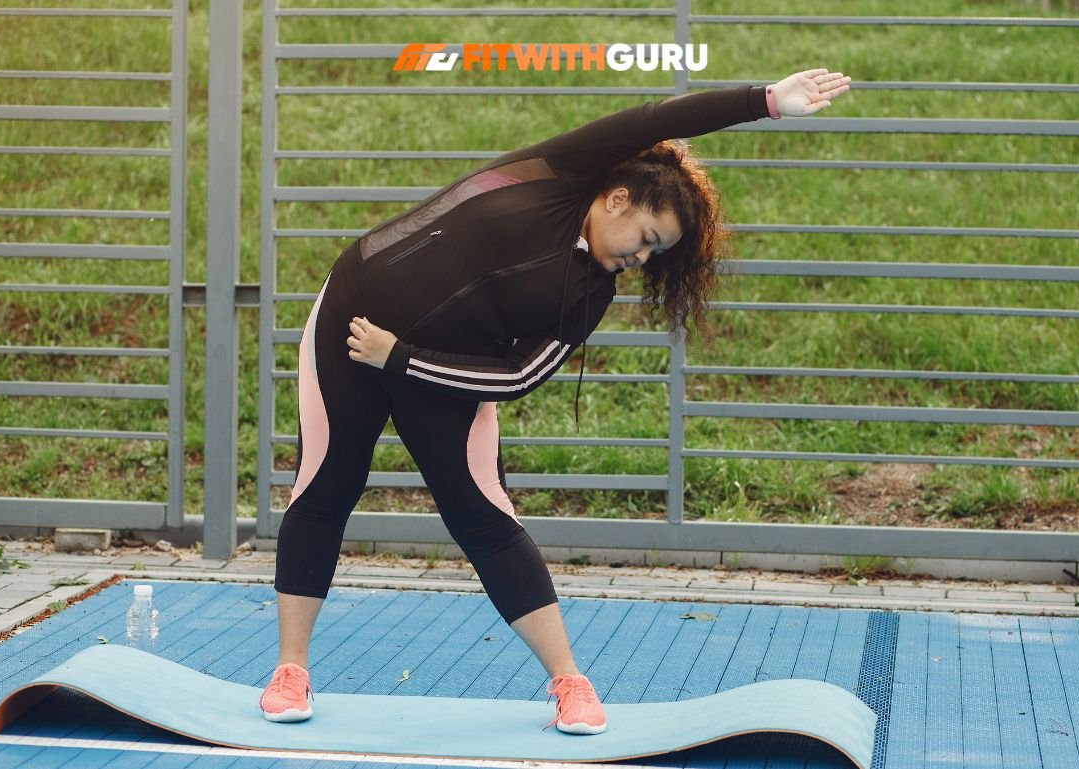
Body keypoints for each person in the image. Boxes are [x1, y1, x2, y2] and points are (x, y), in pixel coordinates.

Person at [258, 68, 851, 734]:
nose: (643, 258)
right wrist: (765, 101)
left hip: (439, 368)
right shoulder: (564, 170)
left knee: (483, 517)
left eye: (657, 254)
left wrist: (399, 357)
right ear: (618, 199)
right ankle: (290, 670)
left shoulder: (589, 292)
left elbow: (516, 377)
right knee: (325, 487)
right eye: (647, 239)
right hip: (351, 318)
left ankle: (570, 682)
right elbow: (658, 118)